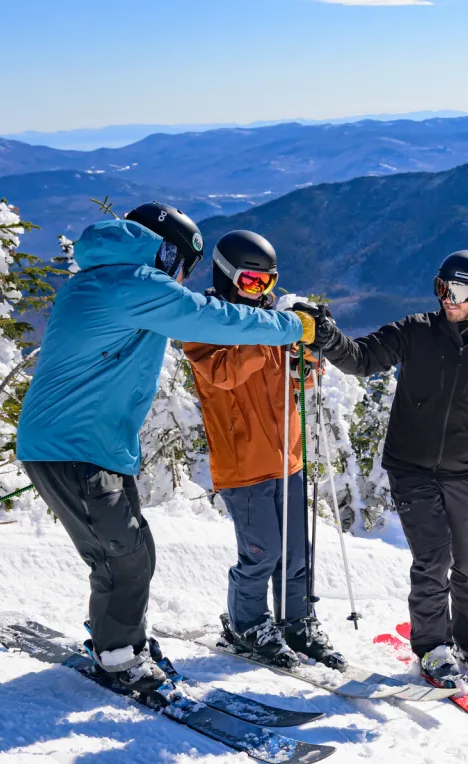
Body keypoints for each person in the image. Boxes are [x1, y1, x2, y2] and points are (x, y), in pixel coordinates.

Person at [16, 204, 317, 692]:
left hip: (89, 447)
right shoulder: (131, 282)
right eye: (182, 266)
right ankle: (118, 656)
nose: (181, 278)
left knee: (132, 550)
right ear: (166, 251)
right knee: (123, 556)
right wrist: (291, 328)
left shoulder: (103, 279)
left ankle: (120, 639)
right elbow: (207, 318)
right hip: (73, 448)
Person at [296, 250, 468, 686]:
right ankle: (433, 646)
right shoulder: (415, 332)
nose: (446, 298)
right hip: (410, 466)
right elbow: (362, 358)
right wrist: (328, 338)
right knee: (433, 556)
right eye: (441, 287)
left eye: (457, 290)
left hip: (463, 470)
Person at [183, 230, 345, 670]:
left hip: (287, 457)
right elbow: (225, 375)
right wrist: (276, 332)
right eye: (253, 282)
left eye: (268, 283)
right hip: (244, 465)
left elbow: (300, 381)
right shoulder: (205, 324)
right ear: (227, 276)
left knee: (295, 552)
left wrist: (310, 351)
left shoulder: (272, 323)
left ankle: (297, 621)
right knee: (262, 553)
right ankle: (245, 623)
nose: (262, 293)